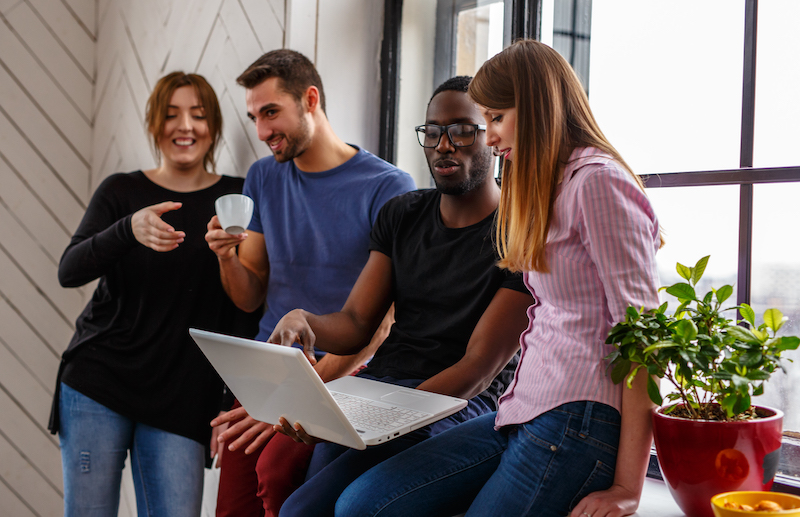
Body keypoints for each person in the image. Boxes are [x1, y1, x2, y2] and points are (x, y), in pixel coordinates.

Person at [334, 39, 663, 517]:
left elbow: (643, 342)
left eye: (496, 118)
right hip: (521, 409)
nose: (488, 137)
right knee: (362, 504)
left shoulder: (598, 183)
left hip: (576, 420)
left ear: (537, 110)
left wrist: (628, 488)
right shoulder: (554, 185)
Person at [267, 75, 533, 517]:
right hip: (382, 385)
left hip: (453, 404)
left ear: (493, 136)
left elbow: (477, 370)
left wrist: (383, 417)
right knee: (296, 485)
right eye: (433, 132)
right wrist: (304, 319)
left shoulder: (517, 235)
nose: (444, 144)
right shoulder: (403, 214)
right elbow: (355, 324)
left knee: (309, 509)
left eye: (462, 130)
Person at [205, 49, 416, 516]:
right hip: (265, 369)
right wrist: (226, 258)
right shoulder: (263, 177)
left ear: (311, 99)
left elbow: (382, 322)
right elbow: (249, 294)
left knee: (280, 482)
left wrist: (297, 394)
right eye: (255, 117)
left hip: (343, 374)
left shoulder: (389, 187)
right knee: (232, 507)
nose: (262, 132)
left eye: (271, 112)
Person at [50, 72, 259, 517]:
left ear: (214, 126)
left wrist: (226, 402)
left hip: (184, 394)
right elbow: (69, 271)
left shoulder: (236, 197)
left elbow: (245, 310)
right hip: (99, 381)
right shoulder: (122, 191)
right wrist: (127, 229)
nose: (185, 126)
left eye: (198, 115)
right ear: (154, 125)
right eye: (171, 115)